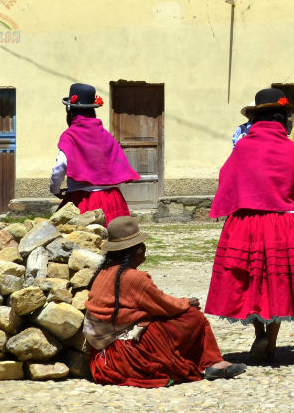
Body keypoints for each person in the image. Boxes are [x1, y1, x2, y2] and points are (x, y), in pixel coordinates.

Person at [205, 88, 294, 363]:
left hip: (247, 223)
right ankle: (271, 341)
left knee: (251, 281)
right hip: (285, 225)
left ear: (256, 119)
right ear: (283, 119)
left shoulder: (243, 148)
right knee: (278, 281)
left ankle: (259, 332)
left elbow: (227, 179)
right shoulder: (293, 151)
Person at [85, 216, 246, 387]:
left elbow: (150, 304)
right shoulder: (134, 278)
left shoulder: (105, 271)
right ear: (137, 250)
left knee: (162, 319)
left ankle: (211, 363)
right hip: (122, 354)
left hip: (102, 355)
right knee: (192, 316)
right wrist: (186, 302)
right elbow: (165, 305)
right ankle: (212, 363)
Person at [50, 83, 139, 225]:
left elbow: (60, 165)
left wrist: (55, 188)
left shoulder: (70, 135)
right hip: (112, 200)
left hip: (83, 200)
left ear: (70, 111)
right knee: (116, 241)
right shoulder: (105, 135)